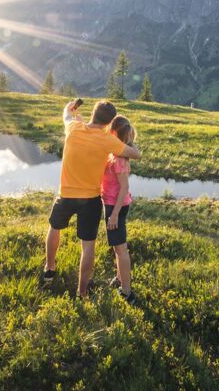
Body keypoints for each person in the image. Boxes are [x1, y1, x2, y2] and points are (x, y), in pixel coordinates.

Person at [42, 99, 141, 298]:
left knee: (54, 228)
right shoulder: (108, 141)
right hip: (91, 200)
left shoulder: (73, 127)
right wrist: (126, 140)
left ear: (93, 113)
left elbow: (66, 114)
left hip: (66, 194)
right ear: (109, 122)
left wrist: (70, 107)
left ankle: (49, 269)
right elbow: (135, 154)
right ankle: (82, 292)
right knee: (88, 246)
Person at [101, 116, 137, 304]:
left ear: (114, 133)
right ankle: (120, 278)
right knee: (117, 246)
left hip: (116, 206)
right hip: (113, 204)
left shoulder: (119, 159)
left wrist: (114, 214)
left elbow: (124, 188)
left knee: (121, 248)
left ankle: (127, 292)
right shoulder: (116, 154)